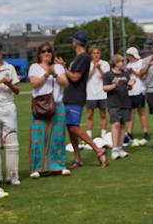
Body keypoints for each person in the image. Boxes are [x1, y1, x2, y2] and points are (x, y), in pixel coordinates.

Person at [55, 31, 107, 169]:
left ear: (77, 42)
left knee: (74, 127)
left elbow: (75, 77)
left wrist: (63, 67)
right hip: (69, 95)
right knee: (70, 128)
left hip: (75, 96)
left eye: (73, 40)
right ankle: (78, 159)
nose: (71, 42)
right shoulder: (78, 58)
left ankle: (98, 150)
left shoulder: (84, 58)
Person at [28, 42, 71, 178]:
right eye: (44, 51)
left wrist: (56, 74)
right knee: (38, 137)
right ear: (39, 54)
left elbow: (66, 84)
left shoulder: (58, 67)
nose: (47, 53)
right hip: (40, 105)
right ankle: (36, 168)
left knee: (57, 137)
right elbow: (35, 84)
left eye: (49, 51)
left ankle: (58, 166)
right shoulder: (34, 67)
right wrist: (47, 74)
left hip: (57, 104)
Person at [0, 40, 21, 187]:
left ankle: (13, 176)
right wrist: (1, 81)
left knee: (12, 143)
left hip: (8, 107)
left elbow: (17, 91)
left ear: (1, 51)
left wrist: (9, 84)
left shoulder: (9, 68)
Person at [103, 54, 134, 160]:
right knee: (116, 124)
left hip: (125, 102)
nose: (122, 63)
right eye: (121, 61)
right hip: (113, 103)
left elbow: (128, 87)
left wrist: (130, 85)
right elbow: (104, 88)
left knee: (122, 125)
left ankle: (120, 148)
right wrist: (114, 85)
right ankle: (114, 149)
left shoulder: (126, 74)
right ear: (115, 63)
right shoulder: (108, 74)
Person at [124, 47, 150, 146]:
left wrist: (133, 71)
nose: (128, 57)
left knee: (141, 112)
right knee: (130, 113)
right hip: (130, 92)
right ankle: (129, 132)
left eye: (129, 55)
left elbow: (143, 75)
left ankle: (146, 132)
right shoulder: (128, 64)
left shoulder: (141, 62)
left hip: (139, 90)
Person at [86, 45, 110, 139]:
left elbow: (106, 78)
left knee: (103, 114)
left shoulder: (105, 63)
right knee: (89, 115)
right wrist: (93, 68)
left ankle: (103, 135)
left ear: (100, 54)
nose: (96, 55)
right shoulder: (87, 64)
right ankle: (88, 136)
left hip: (102, 93)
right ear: (91, 54)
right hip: (90, 94)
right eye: (94, 53)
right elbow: (85, 78)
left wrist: (99, 68)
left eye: (98, 53)